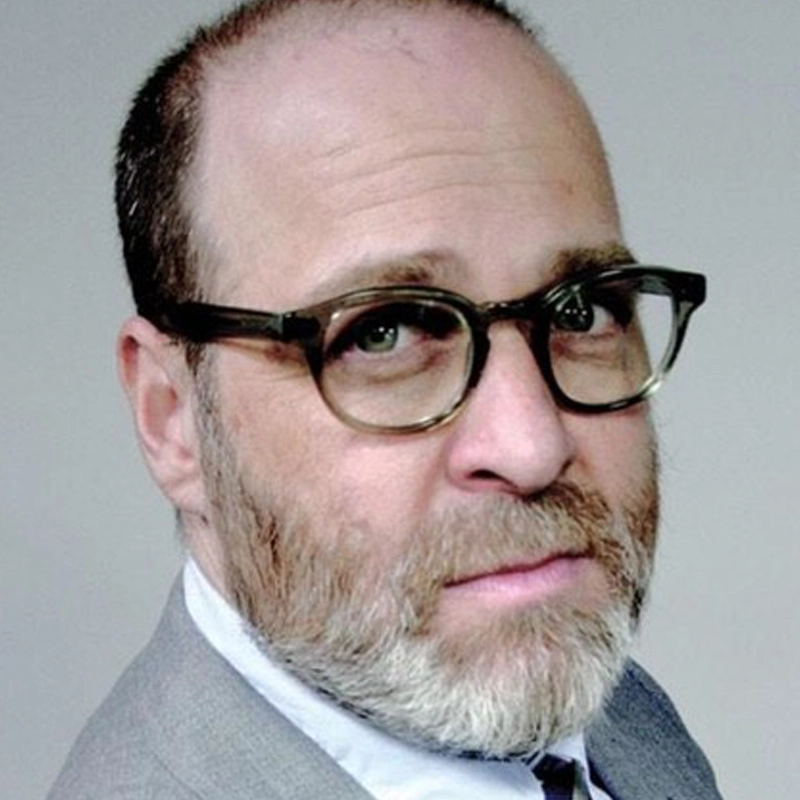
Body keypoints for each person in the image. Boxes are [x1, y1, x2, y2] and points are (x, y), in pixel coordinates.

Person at [48, 0, 722, 797]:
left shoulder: (622, 730)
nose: (532, 446)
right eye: (385, 332)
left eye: (582, 310)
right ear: (172, 419)